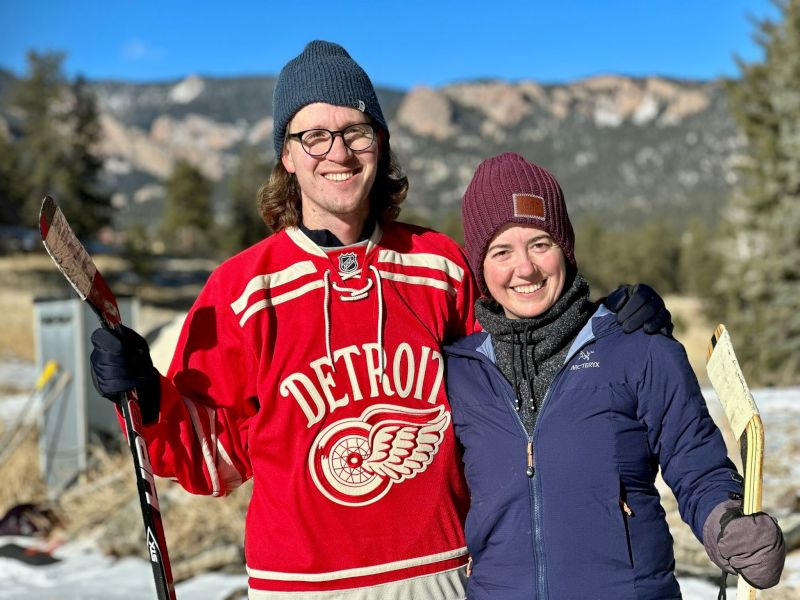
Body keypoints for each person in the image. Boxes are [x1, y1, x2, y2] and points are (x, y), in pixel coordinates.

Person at [89, 42, 672, 600]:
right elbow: (211, 457)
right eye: (313, 136)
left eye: (356, 132)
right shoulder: (243, 289)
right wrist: (148, 397)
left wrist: (607, 330)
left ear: (381, 145)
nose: (337, 153)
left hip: (445, 575)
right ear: (287, 156)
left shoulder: (438, 266)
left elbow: (523, 371)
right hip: (301, 588)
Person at [444, 152, 786, 600]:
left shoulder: (640, 349)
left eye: (540, 244)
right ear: (481, 268)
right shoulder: (459, 371)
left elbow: (697, 464)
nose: (524, 268)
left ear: (565, 249)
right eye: (501, 251)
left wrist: (727, 522)